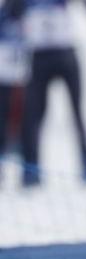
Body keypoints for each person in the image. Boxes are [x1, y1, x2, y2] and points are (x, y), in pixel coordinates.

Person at [6, 0, 86, 187]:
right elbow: (9, 14)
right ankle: (31, 169)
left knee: (77, 113)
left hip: (65, 54)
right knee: (34, 116)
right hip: (39, 57)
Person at [0, 0, 28, 186]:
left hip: (23, 76)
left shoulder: (26, 10)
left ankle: (28, 172)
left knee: (25, 123)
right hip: (3, 75)